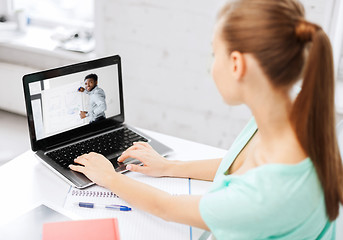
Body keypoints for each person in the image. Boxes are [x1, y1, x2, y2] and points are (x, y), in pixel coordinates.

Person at [70, 0, 343, 238]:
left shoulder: (266, 194)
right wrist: (170, 167)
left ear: (236, 64)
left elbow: (165, 207)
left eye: (215, 54)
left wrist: (109, 177)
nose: (212, 66)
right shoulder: (294, 112)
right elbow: (236, 166)